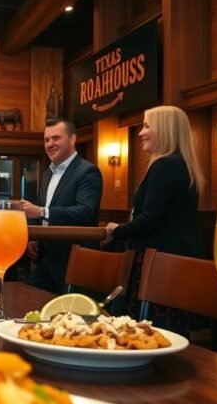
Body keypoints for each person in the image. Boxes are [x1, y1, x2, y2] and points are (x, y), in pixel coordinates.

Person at [104, 105, 205, 258]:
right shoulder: (181, 163)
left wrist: (117, 231)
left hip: (163, 261)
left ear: (165, 130)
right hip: (179, 256)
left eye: (147, 126)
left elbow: (150, 219)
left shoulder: (165, 165)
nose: (141, 133)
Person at [20, 119, 103, 294]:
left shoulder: (88, 171)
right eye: (46, 140)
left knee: (72, 319)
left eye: (56, 138)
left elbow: (86, 212)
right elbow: (39, 206)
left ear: (72, 139)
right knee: (30, 309)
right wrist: (33, 237)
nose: (50, 144)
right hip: (45, 258)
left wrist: (42, 211)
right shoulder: (47, 174)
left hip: (74, 261)